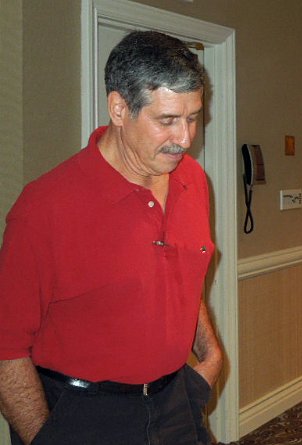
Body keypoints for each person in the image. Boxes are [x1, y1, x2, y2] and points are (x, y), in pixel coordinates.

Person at [0, 31, 223, 445]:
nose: (185, 138)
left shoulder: (192, 179)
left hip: (176, 401)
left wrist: (210, 357)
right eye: (167, 120)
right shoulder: (45, 207)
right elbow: (6, 348)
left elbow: (186, 275)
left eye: (192, 117)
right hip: (84, 414)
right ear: (119, 108)